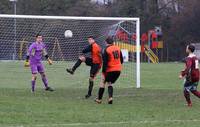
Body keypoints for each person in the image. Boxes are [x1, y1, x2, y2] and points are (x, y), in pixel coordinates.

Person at [95, 37, 123, 104]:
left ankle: (99, 99)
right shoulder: (118, 48)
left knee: (103, 81)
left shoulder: (106, 49)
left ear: (106, 42)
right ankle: (110, 98)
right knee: (109, 83)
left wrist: (103, 71)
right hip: (118, 70)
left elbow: (105, 62)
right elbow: (121, 60)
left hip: (110, 69)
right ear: (113, 42)